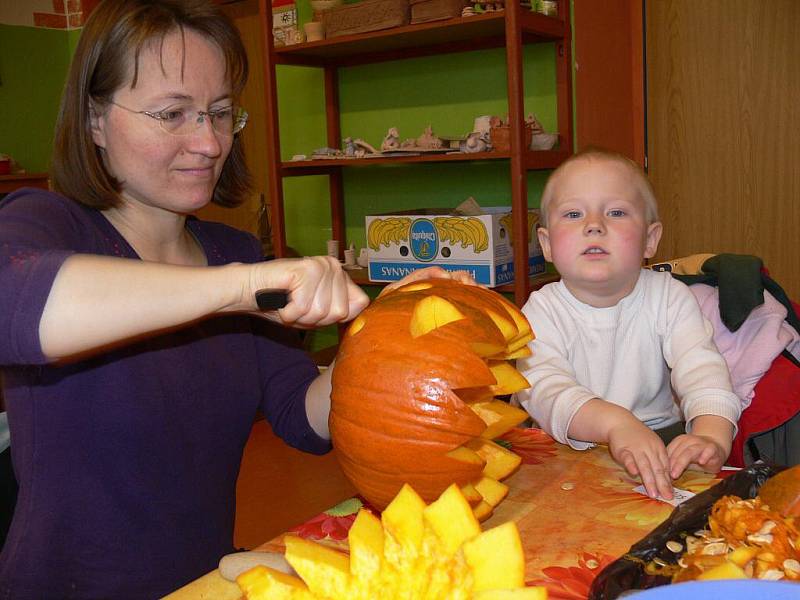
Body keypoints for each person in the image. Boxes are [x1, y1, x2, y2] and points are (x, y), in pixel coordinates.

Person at [0, 1, 466, 597]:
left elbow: (305, 418)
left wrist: (388, 342)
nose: (209, 142)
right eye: (173, 113)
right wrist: (241, 289)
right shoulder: (44, 222)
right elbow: (17, 304)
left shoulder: (234, 252)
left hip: (203, 584)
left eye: (220, 113)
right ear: (94, 120)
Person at [515, 148, 742, 501]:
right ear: (546, 244)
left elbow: (702, 370)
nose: (594, 224)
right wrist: (616, 424)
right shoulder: (540, 310)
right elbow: (546, 390)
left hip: (660, 442)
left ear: (650, 239)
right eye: (573, 213)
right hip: (561, 449)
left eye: (616, 212)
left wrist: (711, 435)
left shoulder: (670, 297)